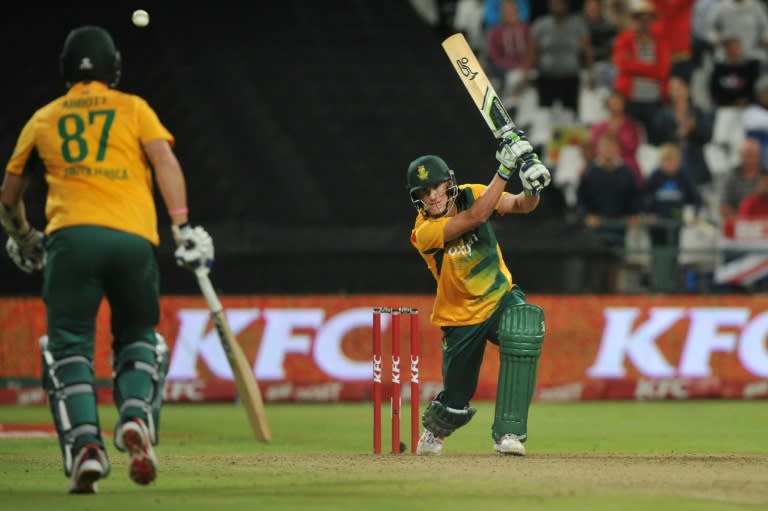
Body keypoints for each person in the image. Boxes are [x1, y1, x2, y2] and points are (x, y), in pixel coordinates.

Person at [0, 25, 214, 494]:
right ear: (113, 67)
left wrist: (23, 235)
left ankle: (85, 449)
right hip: (134, 239)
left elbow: (10, 193)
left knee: (67, 347)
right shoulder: (134, 108)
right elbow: (164, 162)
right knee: (141, 339)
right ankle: (135, 414)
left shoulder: (43, 117)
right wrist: (181, 226)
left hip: (72, 239)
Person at [406, 129, 551, 456]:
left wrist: (531, 185)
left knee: (523, 328)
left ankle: (509, 433)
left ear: (448, 183)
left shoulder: (473, 192)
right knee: (457, 400)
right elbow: (475, 217)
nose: (432, 196)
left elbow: (521, 205)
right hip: (459, 317)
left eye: (436, 187)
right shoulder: (423, 231)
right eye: (424, 192)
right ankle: (436, 430)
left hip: (500, 298)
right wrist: (504, 169)